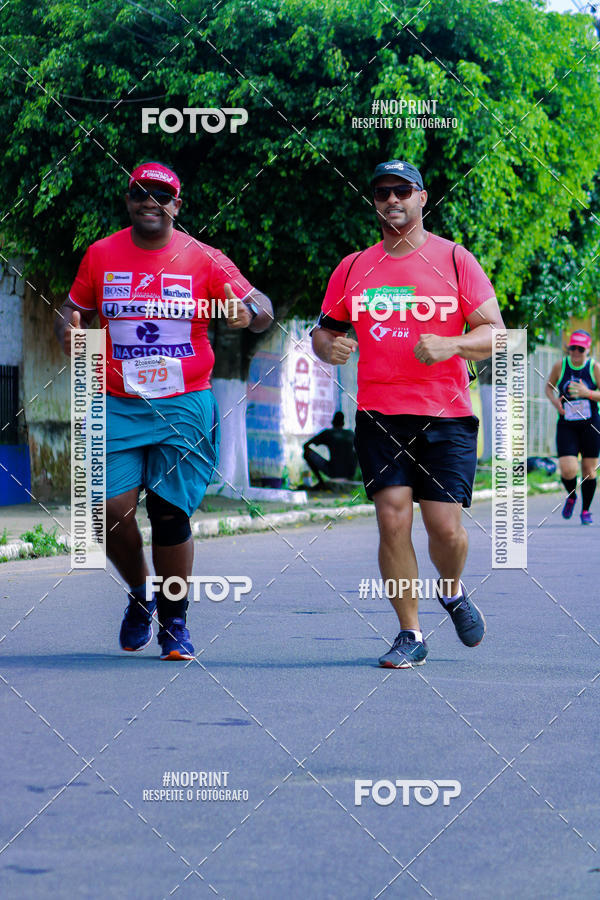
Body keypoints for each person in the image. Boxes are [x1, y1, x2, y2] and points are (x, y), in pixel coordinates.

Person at [56, 162, 273, 660]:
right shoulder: (101, 254)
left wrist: (251, 313)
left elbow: (261, 305)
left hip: (184, 404)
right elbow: (73, 311)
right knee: (105, 514)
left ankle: (175, 621)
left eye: (161, 194)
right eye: (139, 193)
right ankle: (139, 595)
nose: (149, 201)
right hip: (116, 402)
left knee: (170, 513)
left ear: (177, 205)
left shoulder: (203, 259)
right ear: (128, 201)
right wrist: (67, 328)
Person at [311, 159, 504, 668]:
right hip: (380, 415)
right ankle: (410, 633)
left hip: (446, 416)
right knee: (392, 520)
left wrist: (453, 344)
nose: (391, 200)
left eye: (401, 191)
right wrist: (325, 346)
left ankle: (454, 590)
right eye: (381, 193)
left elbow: (496, 335)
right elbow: (324, 330)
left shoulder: (456, 260)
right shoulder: (354, 267)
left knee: (445, 528)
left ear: (422, 197)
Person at [545, 330, 600, 525]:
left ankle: (585, 510)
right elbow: (548, 388)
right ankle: (571, 495)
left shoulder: (594, 368)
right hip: (567, 424)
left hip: (591, 425)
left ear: (588, 349)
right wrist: (556, 404)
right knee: (568, 469)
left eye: (580, 349)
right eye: (572, 348)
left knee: (588, 470)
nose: (576, 352)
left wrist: (588, 393)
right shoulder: (560, 366)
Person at [302, 411, 357, 486]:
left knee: (306, 453)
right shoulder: (351, 434)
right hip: (350, 472)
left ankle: (321, 482)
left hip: (333, 471)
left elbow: (306, 445)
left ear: (333, 422)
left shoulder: (328, 433)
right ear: (343, 423)